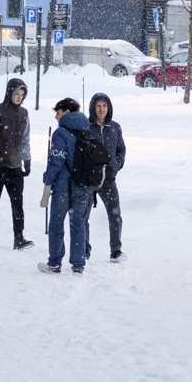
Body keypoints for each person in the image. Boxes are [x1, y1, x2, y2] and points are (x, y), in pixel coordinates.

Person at [39, 95, 96, 274]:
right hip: (83, 184)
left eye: (58, 112)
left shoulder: (61, 132)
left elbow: (56, 161)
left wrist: (48, 180)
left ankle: (54, 263)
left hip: (63, 185)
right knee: (78, 223)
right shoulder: (87, 128)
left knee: (56, 223)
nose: (56, 117)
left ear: (67, 112)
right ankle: (78, 265)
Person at [0, 76, 33, 250]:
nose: (19, 97)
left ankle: (19, 238)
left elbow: (25, 139)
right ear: (9, 92)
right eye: (16, 93)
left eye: (22, 94)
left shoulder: (24, 114)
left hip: (15, 166)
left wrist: (27, 159)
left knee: (18, 204)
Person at [86, 90, 127, 262]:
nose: (101, 109)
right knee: (83, 216)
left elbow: (121, 149)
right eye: (98, 106)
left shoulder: (115, 127)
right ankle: (84, 250)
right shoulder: (86, 127)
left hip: (109, 179)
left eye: (104, 106)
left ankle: (115, 251)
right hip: (89, 179)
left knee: (115, 215)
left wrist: (116, 166)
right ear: (93, 108)